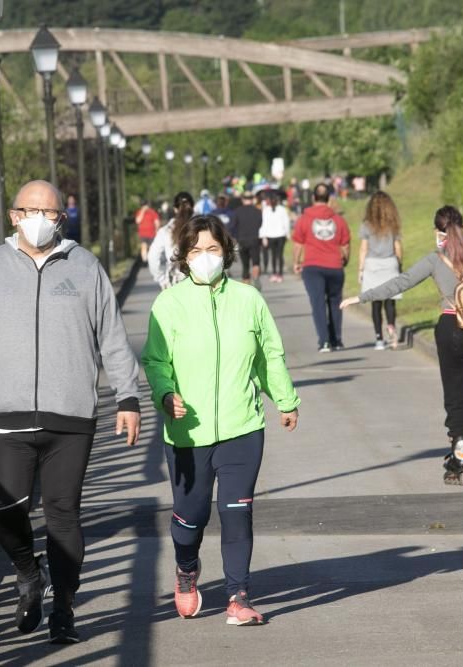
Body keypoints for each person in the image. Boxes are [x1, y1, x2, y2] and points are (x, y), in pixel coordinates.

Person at [0, 180, 142, 644]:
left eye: (50, 213)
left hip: (71, 416)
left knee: (63, 514)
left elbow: (112, 337)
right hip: (9, 415)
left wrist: (128, 398)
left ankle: (65, 609)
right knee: (6, 511)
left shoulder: (85, 266)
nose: (40, 219)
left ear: (61, 218)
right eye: (31, 210)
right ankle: (27, 572)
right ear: (14, 215)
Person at [141, 214, 300, 626]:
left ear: (226, 253)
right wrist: (165, 394)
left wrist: (285, 400)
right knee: (189, 518)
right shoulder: (169, 304)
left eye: (212, 249)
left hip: (241, 428)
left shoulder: (249, 300)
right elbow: (156, 360)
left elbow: (268, 355)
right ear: (184, 257)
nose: (205, 257)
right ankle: (187, 569)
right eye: (196, 250)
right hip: (187, 433)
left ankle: (238, 596)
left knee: (236, 511)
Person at [341, 205, 463, 484]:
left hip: (452, 329)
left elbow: (401, 283)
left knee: (456, 390)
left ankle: (460, 447)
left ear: (438, 233)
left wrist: (362, 297)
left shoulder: (435, 260)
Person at [292, 182, 351, 352]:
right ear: (329, 199)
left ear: (313, 198)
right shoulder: (338, 220)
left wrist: (296, 262)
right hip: (335, 266)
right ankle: (336, 340)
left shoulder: (304, 219)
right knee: (335, 302)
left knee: (318, 303)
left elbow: (298, 244)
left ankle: (324, 341)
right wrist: (344, 260)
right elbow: (345, 245)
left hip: (312, 267)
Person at [357, 191, 404, 350]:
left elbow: (363, 248)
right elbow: (398, 247)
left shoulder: (366, 225)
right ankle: (391, 326)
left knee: (375, 303)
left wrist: (360, 269)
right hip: (390, 263)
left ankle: (379, 338)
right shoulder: (393, 225)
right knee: (390, 301)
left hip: (372, 265)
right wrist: (399, 264)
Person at [147, 191, 194, 289]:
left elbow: (152, 256)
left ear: (175, 209)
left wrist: (161, 279)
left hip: (175, 281)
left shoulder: (165, 231)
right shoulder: (202, 228)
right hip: (199, 281)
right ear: (192, 207)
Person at [229, 190, 263, 285]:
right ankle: (256, 280)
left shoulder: (237, 211)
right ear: (252, 199)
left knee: (245, 266)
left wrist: (233, 238)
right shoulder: (258, 211)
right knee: (256, 263)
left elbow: (232, 226)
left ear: (243, 199)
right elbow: (262, 225)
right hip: (255, 240)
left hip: (242, 240)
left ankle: (247, 287)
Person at [261, 193, 290, 283]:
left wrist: (287, 234)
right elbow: (264, 224)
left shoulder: (279, 210)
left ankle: (277, 274)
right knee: (276, 255)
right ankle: (277, 273)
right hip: (275, 235)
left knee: (276, 255)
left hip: (276, 235)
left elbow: (286, 222)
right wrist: (264, 236)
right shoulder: (268, 210)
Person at [136, 199, 160, 264]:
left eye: (144, 205)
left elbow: (156, 222)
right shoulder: (139, 212)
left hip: (151, 233)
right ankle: (144, 261)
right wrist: (142, 212)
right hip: (143, 233)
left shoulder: (152, 212)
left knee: (151, 248)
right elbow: (138, 221)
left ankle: (151, 260)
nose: (143, 207)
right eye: (142, 205)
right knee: (143, 247)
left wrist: (157, 230)